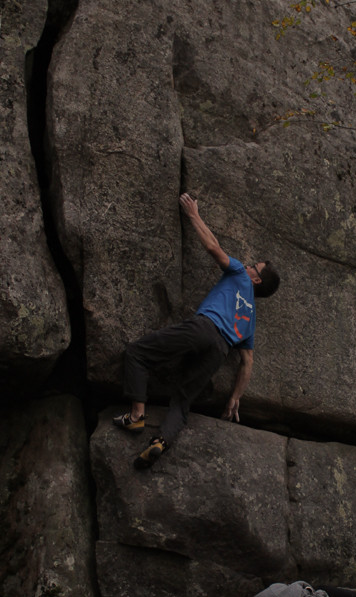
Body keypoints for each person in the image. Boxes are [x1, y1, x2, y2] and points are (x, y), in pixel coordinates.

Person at [115, 193, 280, 470]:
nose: (248, 264)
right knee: (182, 401)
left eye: (254, 266)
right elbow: (248, 361)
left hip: (204, 328)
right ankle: (161, 442)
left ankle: (136, 417)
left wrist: (193, 215)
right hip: (219, 352)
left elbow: (214, 247)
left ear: (255, 279)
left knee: (137, 353)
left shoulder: (239, 274)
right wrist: (235, 397)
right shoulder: (250, 319)